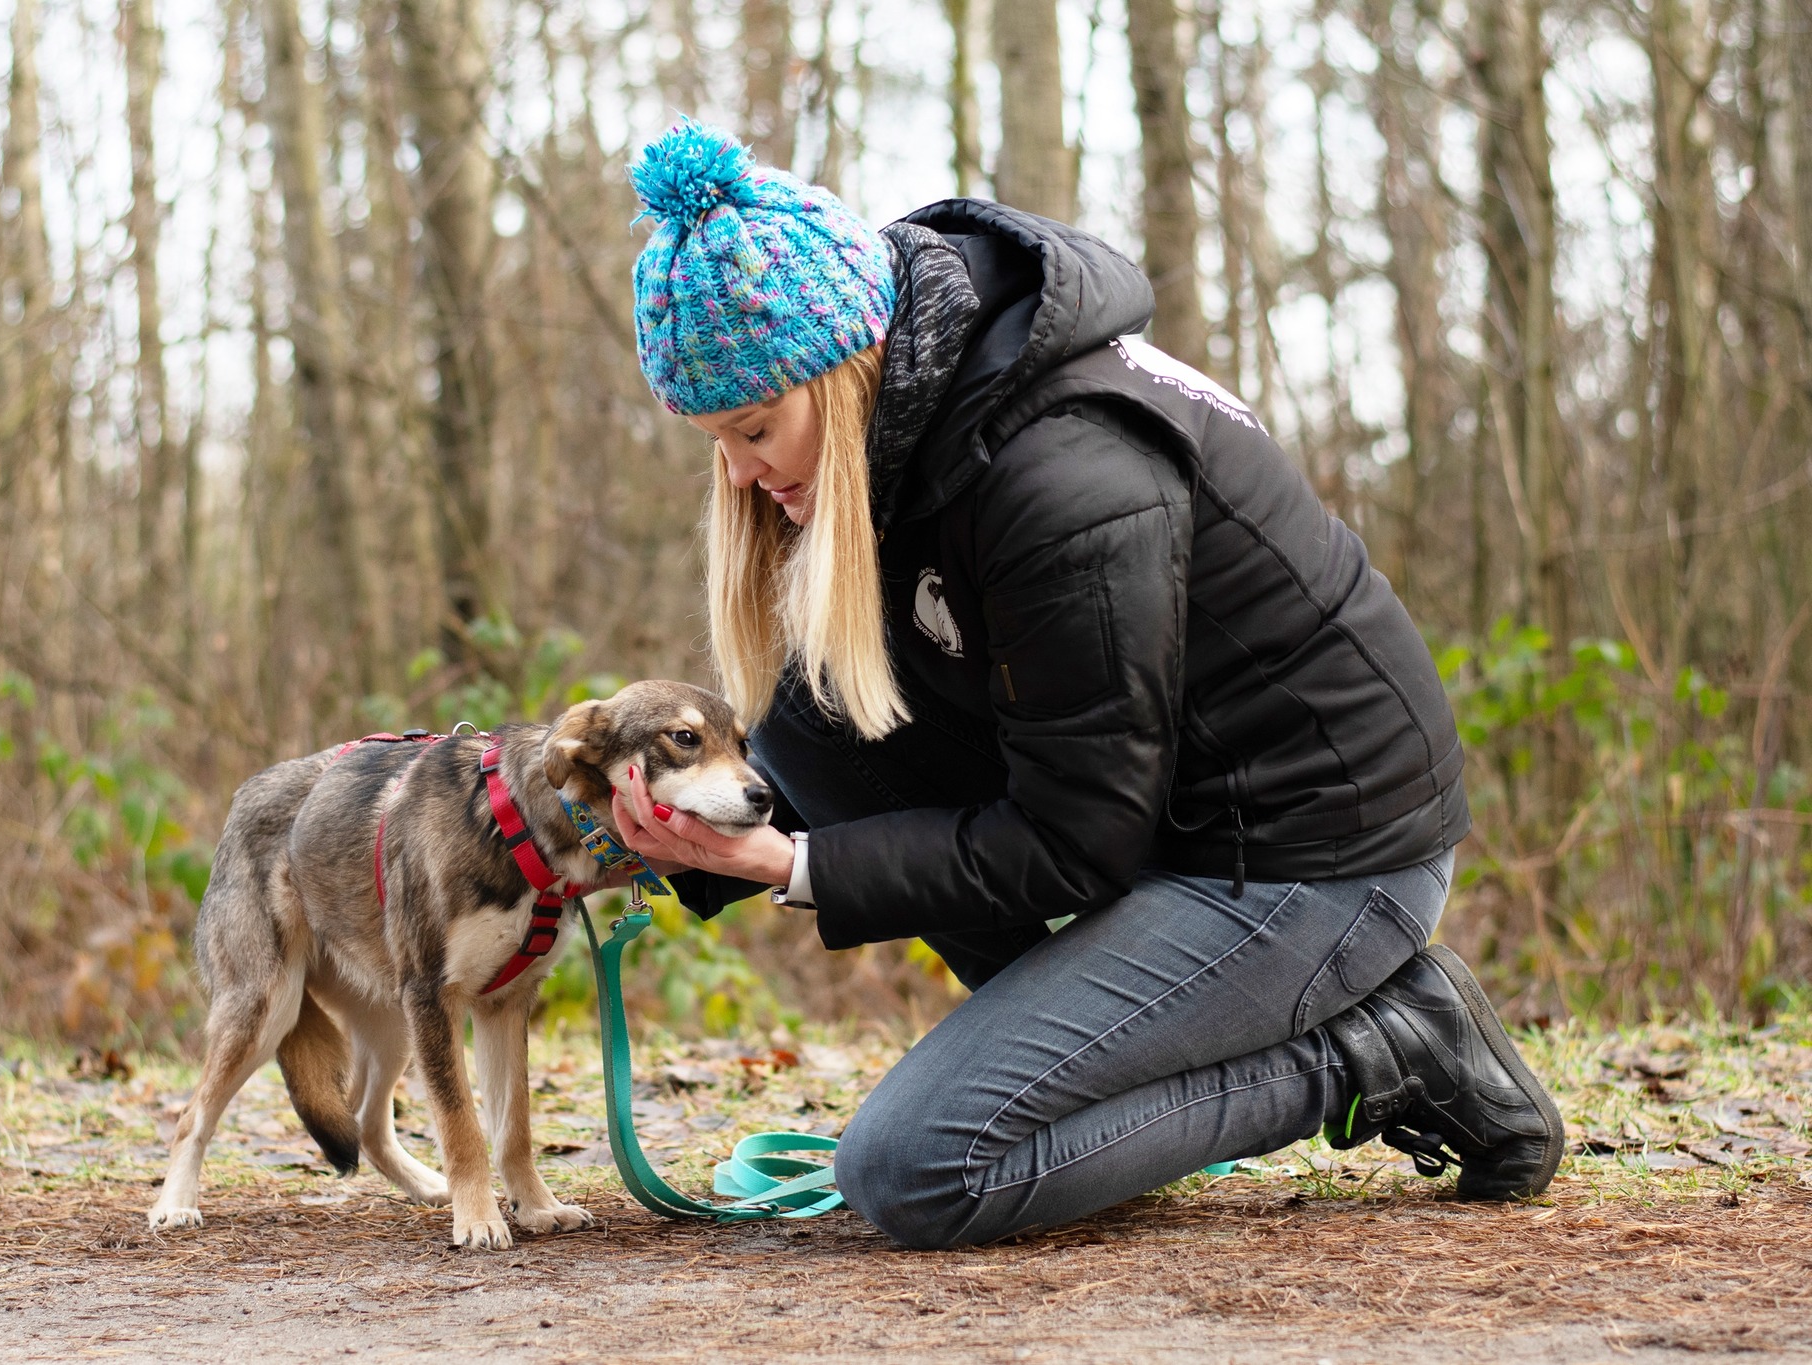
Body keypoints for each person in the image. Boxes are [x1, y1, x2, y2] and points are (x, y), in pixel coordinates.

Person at [606, 120, 1563, 1250]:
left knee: (918, 1171)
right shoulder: (919, 421)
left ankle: (1381, 1046)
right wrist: (625, 832)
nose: (741, 473)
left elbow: (1073, 840)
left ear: (848, 370)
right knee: (805, 724)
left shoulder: (1063, 480)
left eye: (755, 429)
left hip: (1314, 858)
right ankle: (1082, 1080)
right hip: (1167, 817)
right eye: (713, 440)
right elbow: (842, 751)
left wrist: (795, 864)